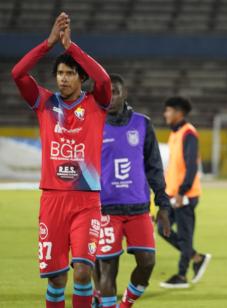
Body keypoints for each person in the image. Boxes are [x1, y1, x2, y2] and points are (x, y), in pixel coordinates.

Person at [11, 12, 111, 308]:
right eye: (60, 74)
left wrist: (71, 48)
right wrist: (49, 43)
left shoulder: (97, 103)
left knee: (82, 271)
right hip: (52, 199)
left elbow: (103, 78)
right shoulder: (44, 103)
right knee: (56, 279)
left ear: (81, 77)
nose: (64, 79)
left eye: (69, 73)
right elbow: (17, 74)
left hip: (86, 201)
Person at [92, 74, 172, 307]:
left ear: (124, 93)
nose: (111, 96)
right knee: (107, 267)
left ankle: (124, 304)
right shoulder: (94, 124)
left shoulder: (142, 124)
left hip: (138, 208)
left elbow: (154, 168)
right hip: (106, 209)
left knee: (147, 262)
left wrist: (163, 206)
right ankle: (104, 302)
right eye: (107, 92)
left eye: (115, 91)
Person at [158, 96, 211, 288]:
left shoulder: (189, 133)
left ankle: (181, 275)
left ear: (178, 113)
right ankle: (197, 258)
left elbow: (191, 166)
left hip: (185, 195)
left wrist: (182, 192)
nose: (165, 114)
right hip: (174, 194)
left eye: (168, 110)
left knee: (184, 234)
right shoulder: (175, 133)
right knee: (162, 229)